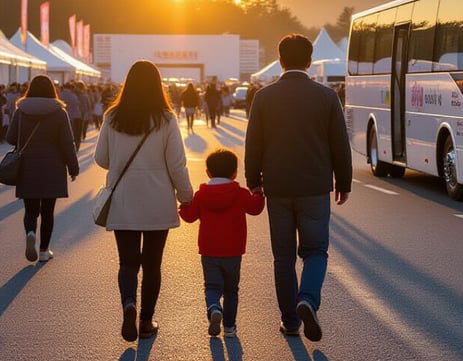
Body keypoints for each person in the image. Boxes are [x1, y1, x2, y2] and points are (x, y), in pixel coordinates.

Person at [245, 34, 353, 342]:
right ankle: (308, 298)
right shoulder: (326, 96)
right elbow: (339, 145)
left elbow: (253, 144)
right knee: (316, 250)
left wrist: (254, 181)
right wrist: (342, 182)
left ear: (279, 60)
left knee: (283, 257)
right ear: (309, 61)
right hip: (315, 186)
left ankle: (290, 321)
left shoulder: (263, 97)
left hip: (277, 187)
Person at [94, 60, 194, 342]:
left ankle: (129, 303)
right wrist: (186, 197)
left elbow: (101, 159)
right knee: (152, 265)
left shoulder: (113, 117)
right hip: (157, 200)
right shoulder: (166, 118)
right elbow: (177, 165)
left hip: (123, 200)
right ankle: (146, 321)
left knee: (127, 263)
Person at [179, 148, 265, 338]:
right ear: (234, 173)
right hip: (233, 251)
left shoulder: (202, 195)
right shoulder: (240, 193)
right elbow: (255, 208)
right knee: (231, 290)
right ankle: (229, 327)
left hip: (209, 251)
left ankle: (214, 307)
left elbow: (190, 216)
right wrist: (259, 194)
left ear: (208, 173)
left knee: (211, 286)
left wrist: (183, 206)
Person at [7, 75, 80, 263]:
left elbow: (10, 138)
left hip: (27, 166)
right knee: (48, 211)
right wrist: (73, 167)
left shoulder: (20, 111)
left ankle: (31, 232)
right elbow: (67, 143)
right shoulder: (59, 112)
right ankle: (44, 251)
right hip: (53, 167)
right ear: (51, 90)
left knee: (31, 209)